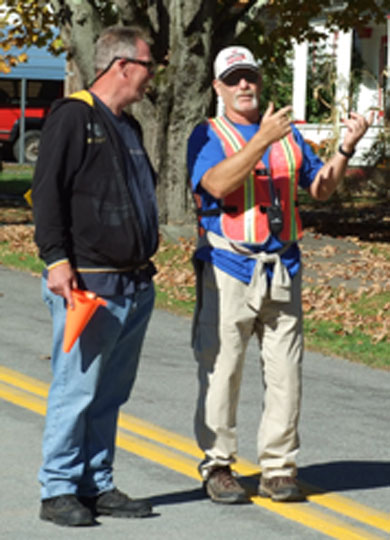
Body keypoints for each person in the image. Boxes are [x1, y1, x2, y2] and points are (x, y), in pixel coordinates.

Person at [187, 45, 373, 504]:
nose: (244, 85)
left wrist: (346, 147)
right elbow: (214, 184)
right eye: (233, 79)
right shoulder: (208, 133)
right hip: (229, 265)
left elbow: (320, 188)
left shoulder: (289, 137)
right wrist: (261, 140)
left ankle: (278, 467)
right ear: (218, 88)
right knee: (222, 369)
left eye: (249, 76)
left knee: (287, 373)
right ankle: (218, 464)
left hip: (283, 265)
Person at [32, 25, 159, 526]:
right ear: (122, 65)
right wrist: (55, 259)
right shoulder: (73, 116)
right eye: (149, 65)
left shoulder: (129, 126)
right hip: (90, 284)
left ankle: (95, 482)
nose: (152, 76)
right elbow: (46, 192)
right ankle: (58, 488)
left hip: (133, 282)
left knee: (110, 392)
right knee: (76, 388)